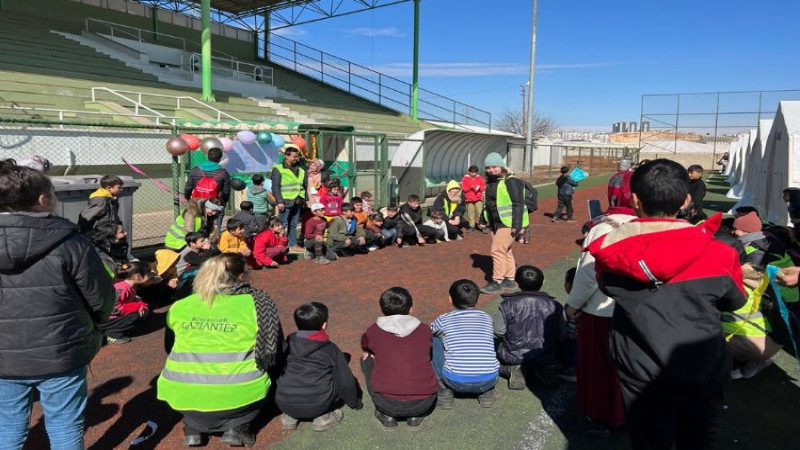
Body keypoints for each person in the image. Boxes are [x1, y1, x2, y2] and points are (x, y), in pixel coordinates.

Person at [588, 159, 746, 450]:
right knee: (697, 440)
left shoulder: (611, 252)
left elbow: (606, 287)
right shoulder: (720, 253)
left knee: (649, 440)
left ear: (635, 199)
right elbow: (735, 301)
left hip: (641, 367)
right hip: (703, 365)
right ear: (686, 199)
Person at [0, 160, 114, 449]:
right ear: (42, 199)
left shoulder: (70, 241)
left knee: (8, 425)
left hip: (3, 356)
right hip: (61, 349)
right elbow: (101, 299)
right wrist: (96, 324)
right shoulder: (71, 242)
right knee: (64, 424)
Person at [157, 254, 283, 447]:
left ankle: (193, 428)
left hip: (181, 392)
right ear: (241, 277)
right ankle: (238, 427)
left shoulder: (180, 306)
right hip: (240, 392)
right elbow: (275, 350)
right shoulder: (258, 303)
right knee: (272, 362)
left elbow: (169, 347)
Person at [565, 207, 636, 435]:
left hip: (601, 312)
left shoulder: (604, 229)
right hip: (635, 309)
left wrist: (573, 305)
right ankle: (624, 412)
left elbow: (589, 274)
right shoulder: (645, 227)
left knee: (599, 366)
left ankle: (600, 415)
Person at [277, 302, 363, 432]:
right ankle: (323, 417)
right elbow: (345, 382)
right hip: (318, 404)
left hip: (284, 402)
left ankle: (290, 417)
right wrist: (354, 402)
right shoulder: (329, 349)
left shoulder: (287, 343)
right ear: (324, 325)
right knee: (335, 378)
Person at [361, 287, 438, 428]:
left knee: (365, 358)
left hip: (386, 402)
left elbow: (365, 344)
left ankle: (387, 416)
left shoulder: (373, 330)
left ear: (383, 309)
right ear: (411, 308)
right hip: (424, 402)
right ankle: (416, 416)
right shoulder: (424, 329)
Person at [714, 232, 782, 379]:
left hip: (752, 344)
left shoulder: (721, 282)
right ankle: (757, 359)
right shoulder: (758, 274)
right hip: (775, 339)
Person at [494, 266, 567, 390]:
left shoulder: (506, 304)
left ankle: (513, 369)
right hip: (546, 354)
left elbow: (498, 331)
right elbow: (562, 334)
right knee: (557, 352)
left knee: (493, 349)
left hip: (512, 356)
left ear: (517, 284)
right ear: (543, 282)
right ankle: (545, 369)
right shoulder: (555, 305)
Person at [431, 280, 499, 409]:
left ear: (450, 299)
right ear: (477, 300)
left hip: (454, 381)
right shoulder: (487, 318)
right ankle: (487, 393)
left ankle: (444, 392)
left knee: (434, 341)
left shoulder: (444, 319)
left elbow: (428, 333)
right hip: (489, 380)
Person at [480, 152, 527, 294]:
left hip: (508, 222)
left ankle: (497, 281)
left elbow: (518, 203)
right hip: (496, 222)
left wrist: (517, 225)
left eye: (494, 166)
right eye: (488, 167)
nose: (491, 170)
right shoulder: (491, 182)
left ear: (501, 166)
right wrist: (483, 219)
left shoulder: (510, 181)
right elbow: (488, 203)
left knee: (497, 250)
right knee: (506, 250)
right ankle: (510, 279)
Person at [101, 261, 151, 344]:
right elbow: (115, 308)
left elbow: (133, 299)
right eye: (148, 274)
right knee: (136, 317)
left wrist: (141, 305)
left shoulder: (129, 287)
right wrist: (138, 307)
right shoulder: (121, 288)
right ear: (138, 276)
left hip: (112, 317)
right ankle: (112, 334)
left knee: (142, 313)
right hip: (107, 319)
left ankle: (115, 329)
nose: (150, 276)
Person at [184, 147, 231, 233]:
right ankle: (214, 242)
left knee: (196, 225)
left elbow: (188, 187)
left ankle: (198, 241)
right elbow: (226, 191)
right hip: (215, 204)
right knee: (214, 229)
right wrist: (223, 203)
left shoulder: (195, 170)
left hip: (197, 202)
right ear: (220, 158)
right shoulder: (223, 173)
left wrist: (188, 198)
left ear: (207, 156)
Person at [271, 145, 307, 252]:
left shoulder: (301, 169)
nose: (296, 159)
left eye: (297, 157)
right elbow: (275, 187)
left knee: (294, 224)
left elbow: (303, 185)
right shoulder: (278, 169)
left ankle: (292, 244)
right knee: (282, 224)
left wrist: (304, 199)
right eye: (294, 156)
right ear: (286, 156)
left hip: (298, 200)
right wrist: (279, 201)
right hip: (285, 201)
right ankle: (278, 244)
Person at [78, 175, 123, 244]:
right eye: (119, 188)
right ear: (109, 188)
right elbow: (85, 219)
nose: (121, 189)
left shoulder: (111, 198)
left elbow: (113, 216)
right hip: (100, 237)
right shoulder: (101, 201)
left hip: (108, 233)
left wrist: (119, 226)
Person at [175, 231, 219, 299]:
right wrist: (207, 250)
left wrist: (211, 247)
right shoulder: (188, 253)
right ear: (192, 244)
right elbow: (203, 262)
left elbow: (216, 253)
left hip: (190, 271)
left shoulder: (198, 249)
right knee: (206, 268)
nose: (205, 242)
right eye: (202, 241)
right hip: (182, 277)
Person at [461, 165, 487, 232]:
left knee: (480, 212)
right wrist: (470, 187)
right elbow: (464, 188)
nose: (474, 174)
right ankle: (471, 226)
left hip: (478, 198)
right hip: (469, 199)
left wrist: (478, 188)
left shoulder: (480, 178)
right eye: (472, 172)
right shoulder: (465, 179)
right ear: (469, 172)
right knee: (470, 213)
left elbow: (483, 187)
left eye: (475, 172)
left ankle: (482, 226)